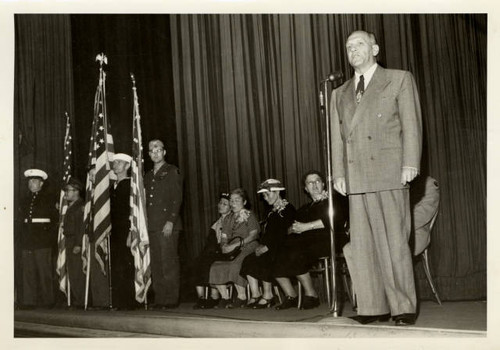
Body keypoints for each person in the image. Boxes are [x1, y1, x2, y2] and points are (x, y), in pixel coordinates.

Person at [330, 30, 422, 326]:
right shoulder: (339, 93)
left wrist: (410, 162)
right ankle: (372, 307)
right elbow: (337, 140)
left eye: (358, 44)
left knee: (395, 242)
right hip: (356, 177)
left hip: (388, 170)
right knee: (363, 246)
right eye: (348, 47)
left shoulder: (398, 79)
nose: (352, 50)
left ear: (375, 48)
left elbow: (412, 124)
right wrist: (339, 174)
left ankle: (403, 307)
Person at [273, 171, 347, 310]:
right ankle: (291, 295)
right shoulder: (304, 208)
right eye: (310, 183)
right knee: (278, 251)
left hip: (331, 239)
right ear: (305, 189)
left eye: (317, 181)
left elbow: (336, 220)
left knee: (296, 250)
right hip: (308, 242)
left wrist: (306, 226)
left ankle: (312, 295)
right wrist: (293, 229)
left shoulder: (334, 200)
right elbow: (292, 226)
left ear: (323, 184)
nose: (314, 185)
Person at [240, 179, 296, 309]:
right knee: (249, 259)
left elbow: (284, 233)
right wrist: (261, 246)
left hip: (283, 246)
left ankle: (268, 295)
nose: (265, 198)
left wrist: (268, 247)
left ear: (277, 192)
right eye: (264, 196)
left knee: (266, 258)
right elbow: (268, 234)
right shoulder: (270, 212)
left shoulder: (288, 209)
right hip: (270, 246)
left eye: (268, 194)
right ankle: (256, 295)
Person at [144, 139, 183, 309]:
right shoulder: (147, 175)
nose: (155, 153)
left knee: (168, 263)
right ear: (148, 154)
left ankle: (171, 299)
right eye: (152, 151)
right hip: (152, 225)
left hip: (167, 225)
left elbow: (177, 198)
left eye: (158, 149)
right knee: (157, 264)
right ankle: (160, 298)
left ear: (164, 152)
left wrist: (170, 221)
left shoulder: (172, 171)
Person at [209, 188, 260, 308]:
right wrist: (224, 246)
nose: (233, 203)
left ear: (244, 202)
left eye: (237, 200)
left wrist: (237, 244)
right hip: (232, 248)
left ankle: (241, 296)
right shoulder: (228, 218)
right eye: (231, 201)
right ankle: (225, 297)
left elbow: (253, 235)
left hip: (248, 246)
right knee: (215, 266)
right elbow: (224, 237)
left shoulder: (249, 215)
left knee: (236, 264)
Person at [19, 169, 57, 308]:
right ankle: (29, 301)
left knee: (44, 270)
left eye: (34, 181)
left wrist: (50, 239)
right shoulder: (24, 199)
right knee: (28, 271)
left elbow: (54, 221)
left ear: (41, 183)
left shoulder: (49, 198)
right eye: (29, 181)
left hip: (42, 238)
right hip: (27, 238)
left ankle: (48, 301)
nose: (31, 183)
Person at [191, 193, 231, 309]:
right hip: (215, 251)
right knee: (198, 261)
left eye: (225, 204)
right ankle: (201, 297)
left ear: (230, 207)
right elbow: (210, 242)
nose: (221, 206)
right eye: (220, 203)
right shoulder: (216, 222)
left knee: (208, 261)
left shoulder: (233, 219)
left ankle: (214, 296)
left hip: (227, 251)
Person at [110, 153, 137, 310]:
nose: (115, 165)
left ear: (127, 166)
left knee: (126, 265)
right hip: (115, 232)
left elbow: (131, 212)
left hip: (125, 231)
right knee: (117, 265)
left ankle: (129, 301)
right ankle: (119, 301)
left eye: (119, 163)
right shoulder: (114, 186)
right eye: (114, 162)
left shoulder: (128, 186)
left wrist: (130, 232)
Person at [62, 178, 86, 308]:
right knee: (72, 271)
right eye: (65, 190)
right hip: (70, 241)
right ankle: (78, 299)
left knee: (77, 271)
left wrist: (78, 244)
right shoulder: (72, 206)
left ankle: (81, 300)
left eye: (68, 190)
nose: (66, 193)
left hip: (75, 242)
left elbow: (80, 228)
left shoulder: (79, 207)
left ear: (76, 191)